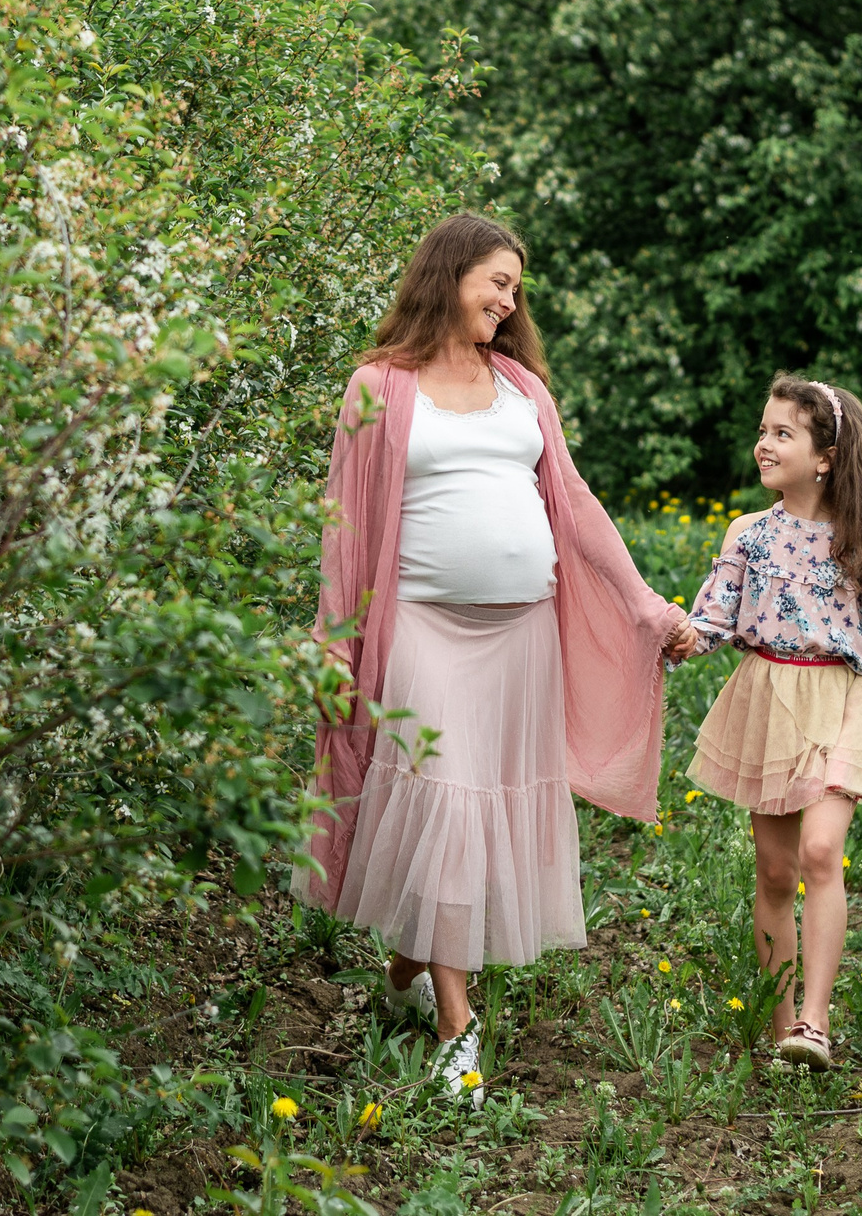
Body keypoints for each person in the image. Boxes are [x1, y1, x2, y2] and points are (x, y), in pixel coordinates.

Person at [299, 213, 696, 1104]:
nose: (510, 300)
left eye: (516, 288)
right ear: (449, 276)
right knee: (445, 803)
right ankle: (455, 1025)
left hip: (522, 638)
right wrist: (332, 645)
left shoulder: (521, 387)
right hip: (426, 629)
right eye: (498, 281)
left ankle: (406, 971)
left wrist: (644, 603)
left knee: (474, 817)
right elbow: (345, 525)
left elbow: (575, 502)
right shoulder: (377, 386)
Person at [677, 375, 862, 1071]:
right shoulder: (748, 534)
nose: (763, 444)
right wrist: (667, 633)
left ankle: (816, 1021)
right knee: (774, 869)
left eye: (782, 433)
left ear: (824, 456)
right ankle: (781, 1023)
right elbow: (712, 622)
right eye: (763, 431)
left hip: (839, 700)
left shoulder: (861, 544)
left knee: (822, 853)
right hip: (769, 700)